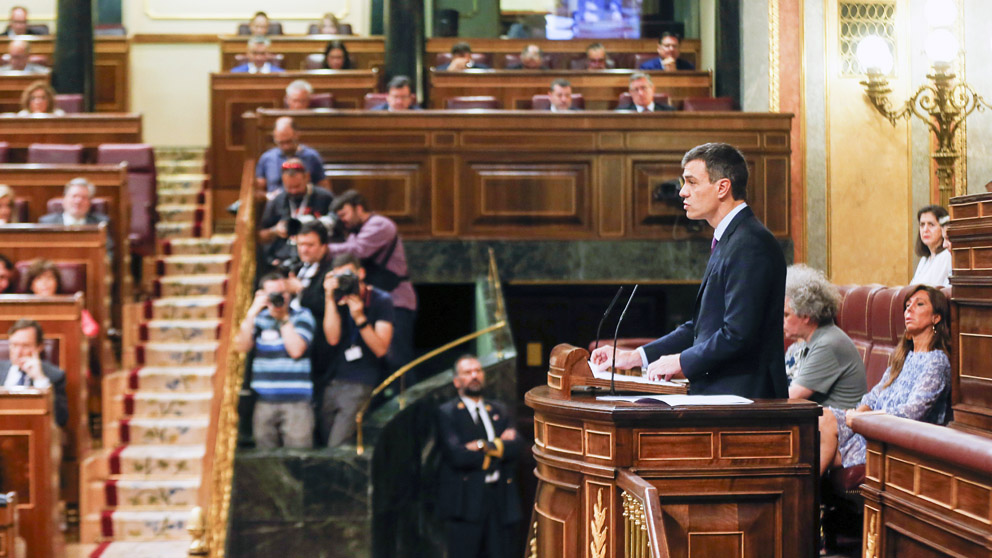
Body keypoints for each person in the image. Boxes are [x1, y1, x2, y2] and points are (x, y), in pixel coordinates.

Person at [591, 143, 788, 399]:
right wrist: (635, 356)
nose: (683, 192)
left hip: (746, 400)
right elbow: (700, 327)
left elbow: (739, 335)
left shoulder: (750, 242)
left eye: (692, 182)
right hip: (722, 393)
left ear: (722, 187)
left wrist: (680, 362)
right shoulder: (732, 238)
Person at [819, 285, 951, 475]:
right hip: (869, 429)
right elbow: (873, 396)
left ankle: (802, 501)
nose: (909, 310)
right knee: (818, 421)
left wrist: (863, 420)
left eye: (919, 304)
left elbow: (913, 411)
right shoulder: (904, 357)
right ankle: (805, 500)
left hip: (895, 439)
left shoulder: (936, 361)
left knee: (822, 432)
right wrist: (857, 417)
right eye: (907, 305)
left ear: (936, 318)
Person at [436, 354, 522, 558]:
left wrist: (482, 446)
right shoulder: (447, 412)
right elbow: (457, 455)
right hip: (466, 501)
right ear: (457, 381)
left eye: (478, 370)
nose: (475, 376)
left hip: (500, 497)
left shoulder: (498, 409)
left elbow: (516, 446)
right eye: (468, 372)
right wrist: (500, 447)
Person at [327, 190, 417, 376]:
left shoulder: (380, 224)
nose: (341, 219)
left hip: (396, 302)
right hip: (375, 303)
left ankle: (404, 403)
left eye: (344, 214)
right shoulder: (354, 232)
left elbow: (358, 251)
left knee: (397, 360)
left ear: (359, 208)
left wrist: (322, 248)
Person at [320, 253, 394, 447]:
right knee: (326, 439)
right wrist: (329, 298)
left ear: (361, 273)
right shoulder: (335, 298)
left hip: (361, 379)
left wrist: (360, 318)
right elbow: (332, 338)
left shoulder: (380, 300)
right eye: (338, 277)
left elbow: (381, 349)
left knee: (337, 444)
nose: (344, 282)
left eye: (348, 275)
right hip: (333, 378)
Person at [235, 272, 316, 449]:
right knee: (264, 462)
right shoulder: (259, 319)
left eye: (283, 292)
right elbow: (241, 347)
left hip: (297, 403)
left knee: (298, 458)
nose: (280, 297)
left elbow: (296, 350)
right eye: (274, 294)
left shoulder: (302, 316)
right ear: (262, 295)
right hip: (264, 401)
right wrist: (251, 314)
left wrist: (283, 320)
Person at [783, 264, 867, 409]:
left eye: (786, 315)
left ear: (806, 315)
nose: (780, 320)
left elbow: (790, 398)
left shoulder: (828, 344)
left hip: (838, 427)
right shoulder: (800, 345)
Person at [284, 220, 336, 407]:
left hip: (321, 347)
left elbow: (330, 305)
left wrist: (301, 291)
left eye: (310, 245)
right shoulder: (296, 268)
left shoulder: (332, 271)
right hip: (294, 341)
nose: (304, 250)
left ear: (324, 246)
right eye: (300, 244)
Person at [257, 158, 335, 269]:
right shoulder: (278, 201)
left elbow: (338, 225)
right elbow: (260, 235)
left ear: (307, 177)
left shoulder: (324, 197)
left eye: (297, 186)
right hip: (285, 257)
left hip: (317, 257)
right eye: (289, 187)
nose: (293, 191)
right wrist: (275, 231)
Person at [0, 319, 68, 427]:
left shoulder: (54, 375)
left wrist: (40, 379)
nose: (18, 352)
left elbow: (60, 419)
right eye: (14, 345)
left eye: (25, 346)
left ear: (39, 347)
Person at [23, 259, 100, 337]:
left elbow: (91, 328)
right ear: (31, 285)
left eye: (49, 278)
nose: (45, 283)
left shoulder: (70, 304)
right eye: (39, 278)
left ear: (57, 282)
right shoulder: (23, 306)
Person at [255, 117, 329, 193]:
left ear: (297, 135)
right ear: (275, 138)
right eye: (281, 143)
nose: (286, 146)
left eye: (289, 141)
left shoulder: (312, 157)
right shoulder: (267, 158)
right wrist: (268, 197)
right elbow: (258, 191)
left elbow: (325, 189)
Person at [910, 205, 951, 287]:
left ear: (943, 228)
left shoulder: (948, 255)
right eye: (922, 225)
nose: (925, 229)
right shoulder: (924, 259)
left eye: (931, 224)